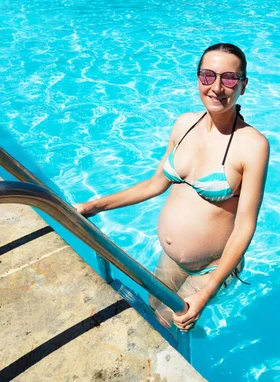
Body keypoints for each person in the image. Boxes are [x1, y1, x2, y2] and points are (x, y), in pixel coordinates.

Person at [75, 43, 269, 331]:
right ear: (198, 78)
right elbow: (155, 184)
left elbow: (244, 227)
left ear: (244, 85)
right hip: (173, 258)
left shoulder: (253, 146)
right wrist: (94, 206)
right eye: (207, 76)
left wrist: (206, 293)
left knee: (167, 322)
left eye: (228, 78)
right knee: (155, 305)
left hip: (211, 268)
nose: (217, 87)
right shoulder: (184, 125)